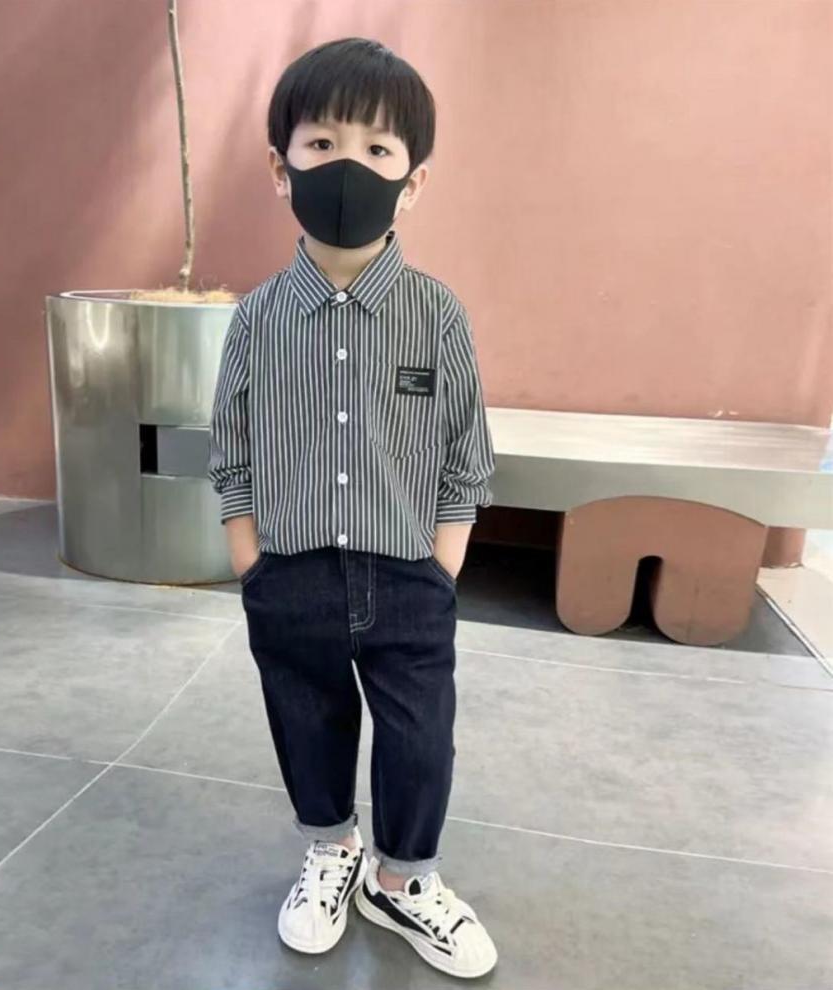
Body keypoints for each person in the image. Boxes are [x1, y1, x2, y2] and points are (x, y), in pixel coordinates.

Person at [207, 37, 497, 980]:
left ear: (413, 181)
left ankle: (403, 879)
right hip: (289, 572)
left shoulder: (437, 314)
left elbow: (465, 449)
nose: (348, 167)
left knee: (420, 735)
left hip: (409, 574)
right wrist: (251, 557)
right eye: (322, 143)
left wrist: (442, 563)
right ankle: (331, 850)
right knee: (307, 719)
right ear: (280, 166)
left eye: (378, 150)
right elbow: (230, 445)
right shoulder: (257, 318)